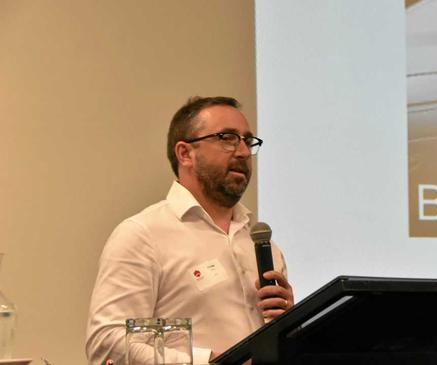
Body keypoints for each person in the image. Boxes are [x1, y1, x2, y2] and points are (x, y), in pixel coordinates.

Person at [85, 96, 293, 364]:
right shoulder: (143, 235)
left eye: (247, 140)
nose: (242, 152)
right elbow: (107, 341)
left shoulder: (262, 245)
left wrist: (289, 323)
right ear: (185, 153)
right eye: (227, 138)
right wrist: (212, 362)